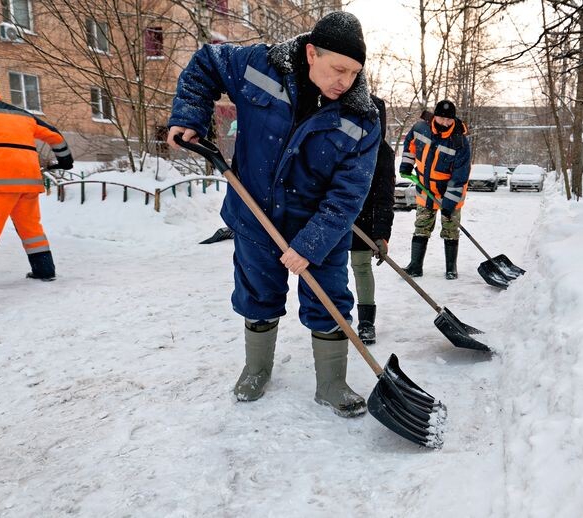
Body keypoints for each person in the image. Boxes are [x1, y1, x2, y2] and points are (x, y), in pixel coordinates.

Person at [166, 11, 381, 417]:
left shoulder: (362, 119)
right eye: (338, 69)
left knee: (329, 300)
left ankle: (332, 383)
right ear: (313, 52)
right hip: (254, 213)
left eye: (354, 73)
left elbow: (349, 193)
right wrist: (189, 116)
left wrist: (311, 245)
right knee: (257, 295)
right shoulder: (258, 65)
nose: (345, 81)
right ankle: (256, 369)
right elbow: (206, 64)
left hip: (320, 225)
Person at [0, 71, 74, 290]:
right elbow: (55, 135)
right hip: (29, 182)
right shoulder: (22, 115)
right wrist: (65, 160)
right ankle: (44, 270)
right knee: (31, 228)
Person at [399, 99, 471, 280]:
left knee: (451, 229)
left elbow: (460, 175)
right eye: (441, 118)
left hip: (450, 192)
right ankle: (415, 266)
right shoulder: (420, 128)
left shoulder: (459, 141)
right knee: (421, 227)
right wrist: (407, 164)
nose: (445, 123)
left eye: (449, 120)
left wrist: (449, 201)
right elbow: (410, 145)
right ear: (435, 116)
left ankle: (451, 268)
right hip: (425, 189)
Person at [350, 96, 395, 345]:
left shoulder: (383, 153)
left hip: (363, 220)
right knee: (328, 268)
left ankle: (366, 322)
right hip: (333, 215)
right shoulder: (340, 141)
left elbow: (384, 197)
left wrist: (381, 234)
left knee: (361, 267)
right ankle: (330, 317)